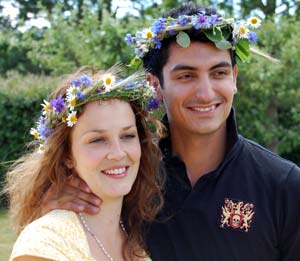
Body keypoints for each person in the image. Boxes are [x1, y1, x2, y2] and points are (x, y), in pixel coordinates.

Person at [35, 3, 300, 261]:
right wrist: (56, 207)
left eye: (218, 73)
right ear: (155, 86)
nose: (206, 93)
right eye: (186, 76)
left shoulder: (284, 185)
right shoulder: (125, 177)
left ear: (234, 78)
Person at [5, 64, 164, 261]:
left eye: (127, 136)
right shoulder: (46, 244)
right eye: (97, 140)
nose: (118, 153)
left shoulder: (138, 237)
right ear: (67, 156)